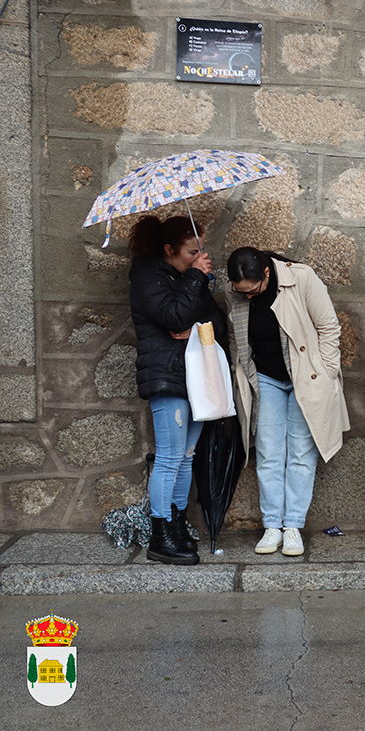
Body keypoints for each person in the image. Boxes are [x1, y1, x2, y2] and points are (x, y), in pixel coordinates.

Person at [226, 247, 350, 557]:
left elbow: (329, 327)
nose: (248, 296)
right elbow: (236, 339)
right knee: (267, 452)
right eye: (242, 292)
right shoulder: (234, 292)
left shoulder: (301, 278)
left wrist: (326, 373)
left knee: (301, 452)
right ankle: (272, 526)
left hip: (305, 378)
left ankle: (293, 526)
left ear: (267, 273)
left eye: (253, 290)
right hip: (264, 379)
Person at [128, 215, 226, 566]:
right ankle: (160, 535)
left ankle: (178, 523)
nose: (200, 257)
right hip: (166, 377)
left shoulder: (187, 278)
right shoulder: (147, 277)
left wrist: (200, 325)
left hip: (195, 378)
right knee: (169, 457)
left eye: (202, 250)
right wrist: (197, 278)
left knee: (186, 456)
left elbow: (217, 320)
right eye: (192, 252)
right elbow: (172, 317)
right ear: (169, 250)